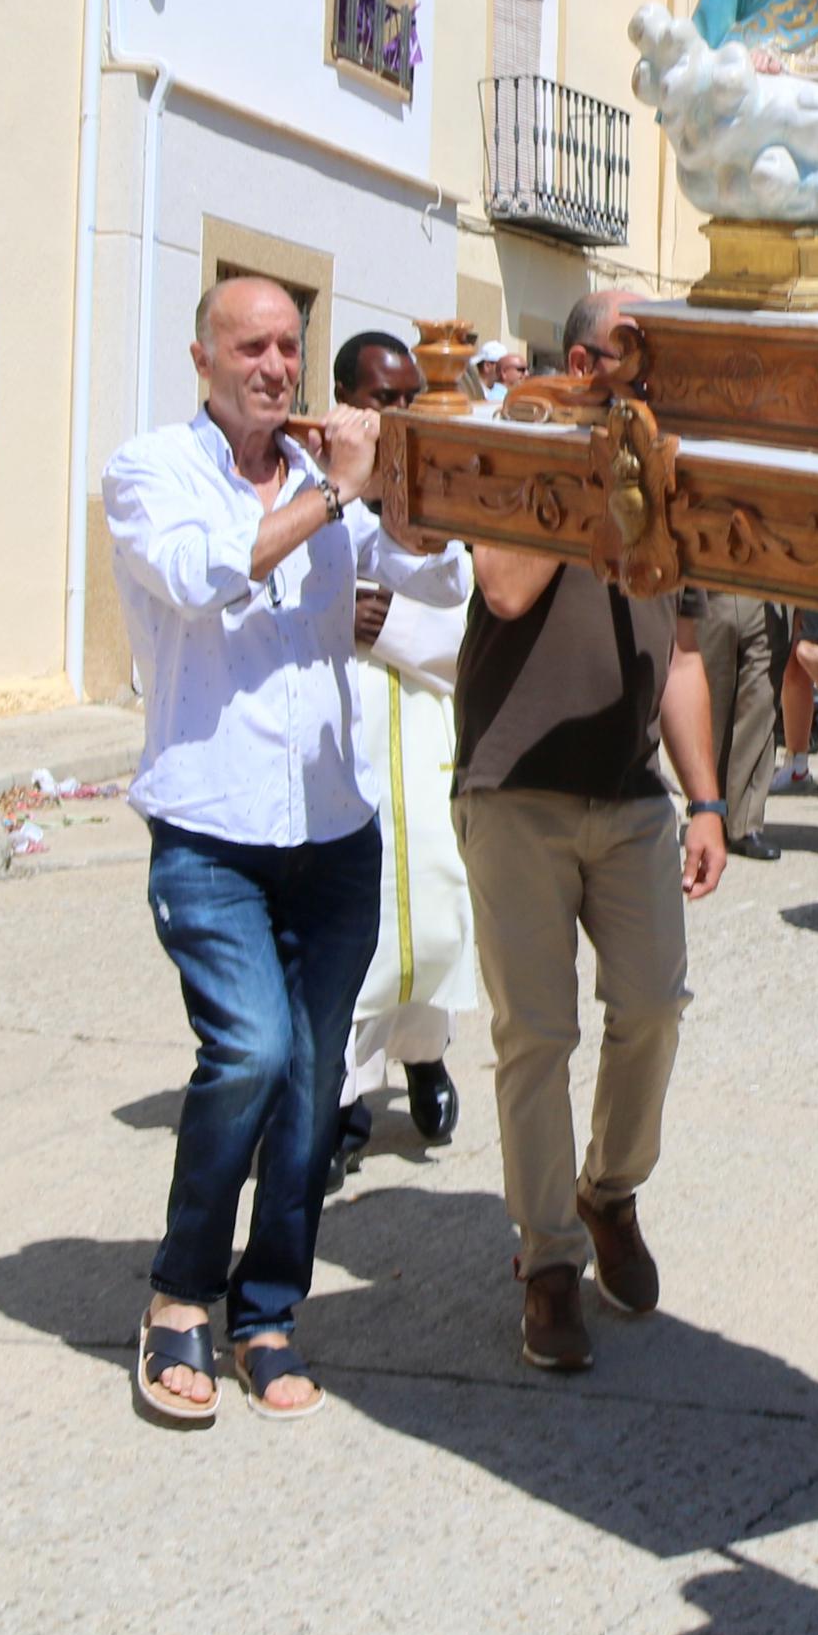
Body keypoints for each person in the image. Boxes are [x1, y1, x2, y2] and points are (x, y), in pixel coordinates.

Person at [102, 277, 475, 1424]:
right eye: (249, 346)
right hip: (209, 832)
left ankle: (267, 1314)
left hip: (331, 837)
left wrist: (406, 491)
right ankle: (177, 1297)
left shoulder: (336, 482)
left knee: (314, 1092)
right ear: (205, 358)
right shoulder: (150, 471)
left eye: (286, 346)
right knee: (252, 1056)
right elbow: (205, 575)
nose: (272, 364)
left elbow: (441, 582)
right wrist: (333, 496)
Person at [458, 288, 729, 1378]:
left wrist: (706, 797)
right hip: (515, 785)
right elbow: (505, 586)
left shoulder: (669, 469)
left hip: (630, 795)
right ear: (581, 363)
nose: (653, 376)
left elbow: (683, 656)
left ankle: (607, 1187)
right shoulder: (514, 453)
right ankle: (548, 1260)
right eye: (634, 357)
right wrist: (588, 463)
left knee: (654, 1006)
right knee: (536, 1035)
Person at [327, 331, 472, 1182]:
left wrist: (394, 629)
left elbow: (472, 621)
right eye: (382, 398)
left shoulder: (446, 499)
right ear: (345, 397)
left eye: (409, 398)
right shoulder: (319, 494)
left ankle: (425, 1053)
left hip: (428, 724)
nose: (396, 415)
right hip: (348, 733)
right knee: (363, 916)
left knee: (437, 908)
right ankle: (344, 1090)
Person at [694, 593, 790, 863]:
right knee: (712, 709)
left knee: (760, 707)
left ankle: (744, 824)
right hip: (710, 590)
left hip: (768, 595)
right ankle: (711, 810)